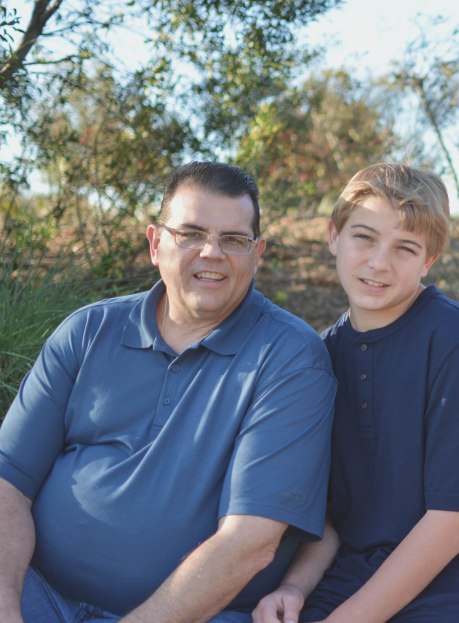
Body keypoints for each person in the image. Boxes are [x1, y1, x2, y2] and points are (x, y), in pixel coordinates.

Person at [0, 161, 337, 623]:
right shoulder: (88, 332)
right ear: (156, 243)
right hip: (39, 593)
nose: (212, 253)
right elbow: (9, 484)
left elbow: (249, 543)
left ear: (256, 254)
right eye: (191, 234)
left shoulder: (291, 358)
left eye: (233, 240)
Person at [252, 163, 459, 623]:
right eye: (364, 237)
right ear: (334, 236)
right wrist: (294, 587)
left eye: (404, 248)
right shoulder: (321, 356)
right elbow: (336, 519)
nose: (378, 263)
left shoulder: (454, 340)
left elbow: (453, 524)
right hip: (362, 570)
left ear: (429, 260)